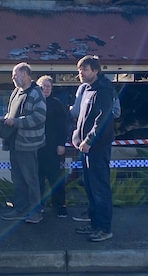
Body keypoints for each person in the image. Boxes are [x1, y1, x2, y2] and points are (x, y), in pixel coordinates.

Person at [72, 56, 117, 242]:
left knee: (100, 188)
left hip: (97, 148)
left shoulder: (104, 90)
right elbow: (82, 118)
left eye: (85, 69)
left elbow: (102, 119)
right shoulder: (87, 90)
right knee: (90, 188)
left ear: (96, 71)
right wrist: (77, 135)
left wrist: (89, 140)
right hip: (86, 148)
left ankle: (104, 228)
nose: (80, 73)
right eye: (80, 70)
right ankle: (94, 223)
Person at [0, 62, 47, 224]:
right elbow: (10, 112)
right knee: (18, 178)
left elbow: (40, 117)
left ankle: (35, 212)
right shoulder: (16, 92)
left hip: (27, 144)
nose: (13, 77)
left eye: (16, 74)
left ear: (26, 74)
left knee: (30, 179)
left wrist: (16, 122)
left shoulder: (36, 92)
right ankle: (21, 209)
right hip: (14, 143)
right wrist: (7, 119)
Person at [37, 75, 70, 218]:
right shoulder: (33, 103)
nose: (45, 89)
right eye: (43, 86)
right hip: (36, 148)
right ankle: (38, 205)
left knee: (55, 178)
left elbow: (64, 126)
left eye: (48, 86)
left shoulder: (57, 104)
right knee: (37, 179)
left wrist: (62, 144)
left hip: (53, 148)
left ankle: (60, 205)